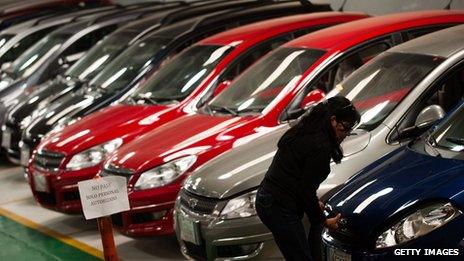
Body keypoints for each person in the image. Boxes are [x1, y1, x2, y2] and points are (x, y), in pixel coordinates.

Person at [256, 96, 360, 261]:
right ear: (333, 120)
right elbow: (304, 190)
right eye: (345, 128)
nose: (346, 134)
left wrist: (312, 201)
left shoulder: (305, 128)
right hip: (279, 206)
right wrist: (324, 221)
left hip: (267, 198)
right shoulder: (320, 145)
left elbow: (297, 177)